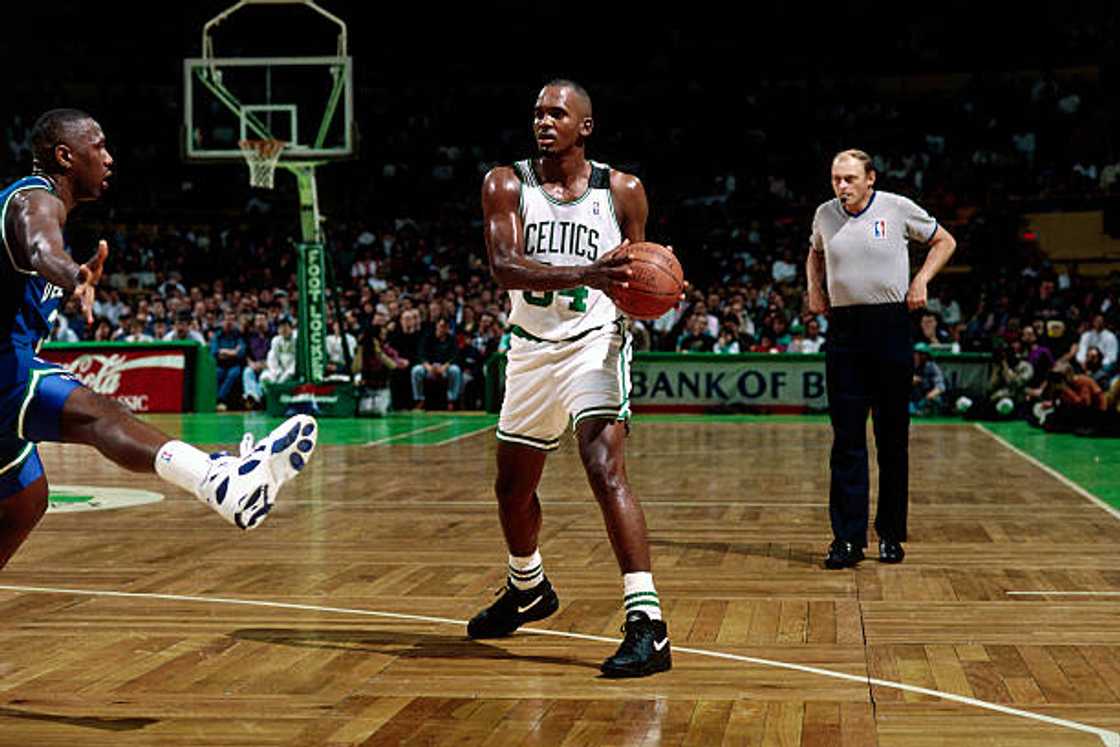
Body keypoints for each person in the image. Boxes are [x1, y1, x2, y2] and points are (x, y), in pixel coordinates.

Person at [0, 109, 317, 573]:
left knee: (25, 501)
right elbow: (40, 248)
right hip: (5, 364)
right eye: (99, 147)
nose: (109, 158)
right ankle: (219, 480)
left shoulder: (42, 207)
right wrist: (74, 274)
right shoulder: (34, 200)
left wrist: (72, 279)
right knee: (98, 414)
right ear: (65, 156)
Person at [473, 80, 671, 677]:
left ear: (585, 126)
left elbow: (637, 274)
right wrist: (591, 270)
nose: (543, 120)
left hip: (594, 343)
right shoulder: (505, 182)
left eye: (557, 113)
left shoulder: (624, 190)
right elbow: (505, 267)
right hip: (531, 349)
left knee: (604, 466)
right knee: (512, 490)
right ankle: (528, 587)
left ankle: (648, 624)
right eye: (537, 112)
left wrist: (657, 292)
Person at [807, 148, 956, 568]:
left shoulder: (896, 208)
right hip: (844, 330)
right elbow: (815, 252)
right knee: (847, 438)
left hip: (890, 324)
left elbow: (946, 240)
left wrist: (921, 279)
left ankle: (891, 533)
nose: (842, 186)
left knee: (892, 438)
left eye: (850, 178)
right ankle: (848, 540)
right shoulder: (824, 215)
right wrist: (814, 289)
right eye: (837, 178)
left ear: (870, 178)